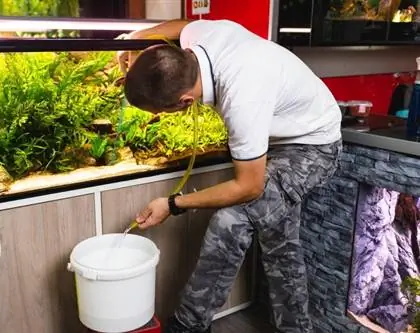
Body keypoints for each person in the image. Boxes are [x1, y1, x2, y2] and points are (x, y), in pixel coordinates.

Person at [117, 19, 342, 333]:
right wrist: (135, 38)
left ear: (184, 102)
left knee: (231, 222)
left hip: (314, 147)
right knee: (280, 241)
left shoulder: (242, 96)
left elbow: (249, 187)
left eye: (161, 111)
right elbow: (181, 25)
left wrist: (173, 204)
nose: (160, 117)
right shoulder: (198, 37)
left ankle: (188, 325)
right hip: (277, 138)